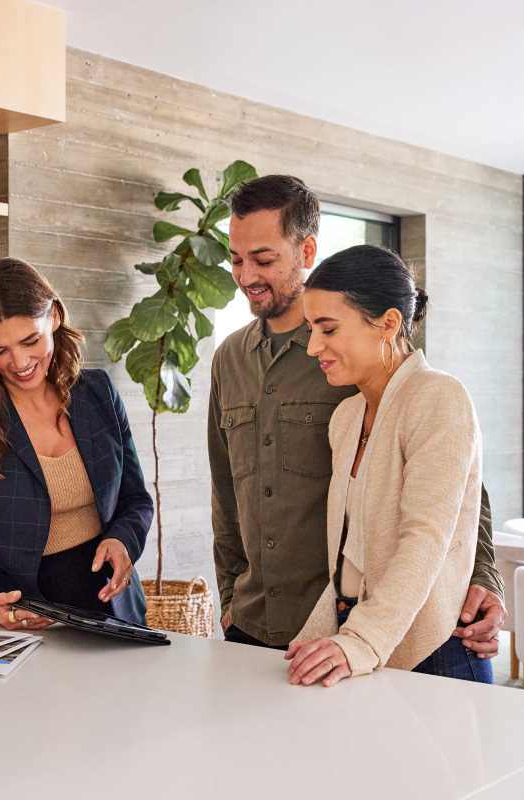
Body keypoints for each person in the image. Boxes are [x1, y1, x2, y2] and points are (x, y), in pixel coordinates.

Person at [208, 175, 505, 656]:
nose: (245, 276)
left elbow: (454, 491)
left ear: (306, 253)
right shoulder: (230, 359)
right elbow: (225, 488)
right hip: (255, 622)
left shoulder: (366, 357)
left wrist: (483, 575)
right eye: (236, 260)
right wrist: (228, 594)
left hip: (363, 625)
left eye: (263, 259)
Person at [284, 245, 491, 686]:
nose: (313, 347)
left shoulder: (439, 398)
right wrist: (322, 635)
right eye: (311, 329)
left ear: (389, 323)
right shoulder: (345, 419)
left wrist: (361, 641)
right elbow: (348, 556)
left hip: (435, 653)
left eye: (328, 329)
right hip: (361, 637)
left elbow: (426, 539)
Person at [0, 257, 153, 631]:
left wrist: (124, 542)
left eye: (31, 341)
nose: (20, 362)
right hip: (18, 618)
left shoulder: (98, 393)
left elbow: (135, 500)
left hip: (115, 613)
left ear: (54, 317)